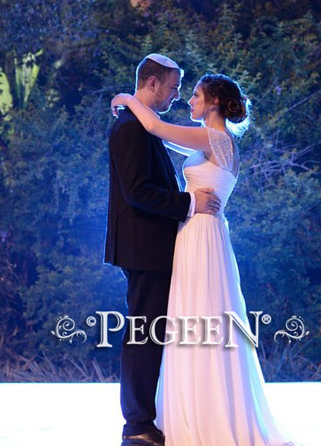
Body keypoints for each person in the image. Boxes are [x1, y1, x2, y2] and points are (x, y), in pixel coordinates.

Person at [111, 73, 294, 446]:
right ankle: (192, 410)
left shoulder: (215, 137)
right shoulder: (209, 142)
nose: (188, 100)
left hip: (202, 234)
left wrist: (127, 99)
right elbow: (158, 136)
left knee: (201, 319)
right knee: (193, 320)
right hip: (198, 232)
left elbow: (155, 126)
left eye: (194, 95)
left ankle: (205, 415)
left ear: (213, 102)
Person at [105, 54, 222, 446]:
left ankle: (147, 418)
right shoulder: (130, 129)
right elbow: (137, 192)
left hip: (154, 246)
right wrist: (190, 204)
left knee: (152, 333)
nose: (176, 96)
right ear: (152, 83)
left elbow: (160, 137)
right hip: (144, 247)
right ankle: (136, 424)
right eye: (173, 88)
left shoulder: (142, 125)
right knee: (143, 333)